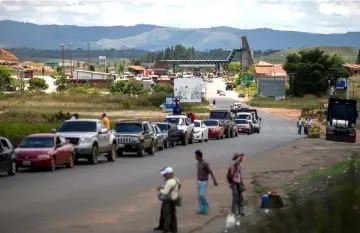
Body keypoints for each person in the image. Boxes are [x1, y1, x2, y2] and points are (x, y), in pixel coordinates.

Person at [154, 166, 181, 233]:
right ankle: (173, 229)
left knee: (167, 215)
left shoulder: (170, 182)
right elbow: (176, 186)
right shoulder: (176, 179)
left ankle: (166, 229)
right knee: (172, 214)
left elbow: (165, 192)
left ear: (169, 174)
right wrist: (164, 187)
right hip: (174, 198)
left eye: (165, 174)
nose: (164, 175)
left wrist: (160, 189)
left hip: (169, 200)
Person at [195, 150, 218, 214]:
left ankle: (207, 204)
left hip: (204, 182)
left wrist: (214, 180)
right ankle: (202, 209)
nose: (195, 157)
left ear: (199, 156)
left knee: (201, 195)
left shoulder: (205, 164)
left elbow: (210, 172)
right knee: (199, 197)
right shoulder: (198, 164)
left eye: (196, 156)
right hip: (199, 182)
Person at [227, 153, 245, 217]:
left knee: (240, 197)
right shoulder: (234, 165)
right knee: (235, 197)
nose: (241, 160)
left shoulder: (238, 166)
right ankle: (234, 213)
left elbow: (239, 176)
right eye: (240, 159)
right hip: (234, 182)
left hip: (238, 182)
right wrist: (240, 185)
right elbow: (233, 177)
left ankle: (240, 212)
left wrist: (242, 184)